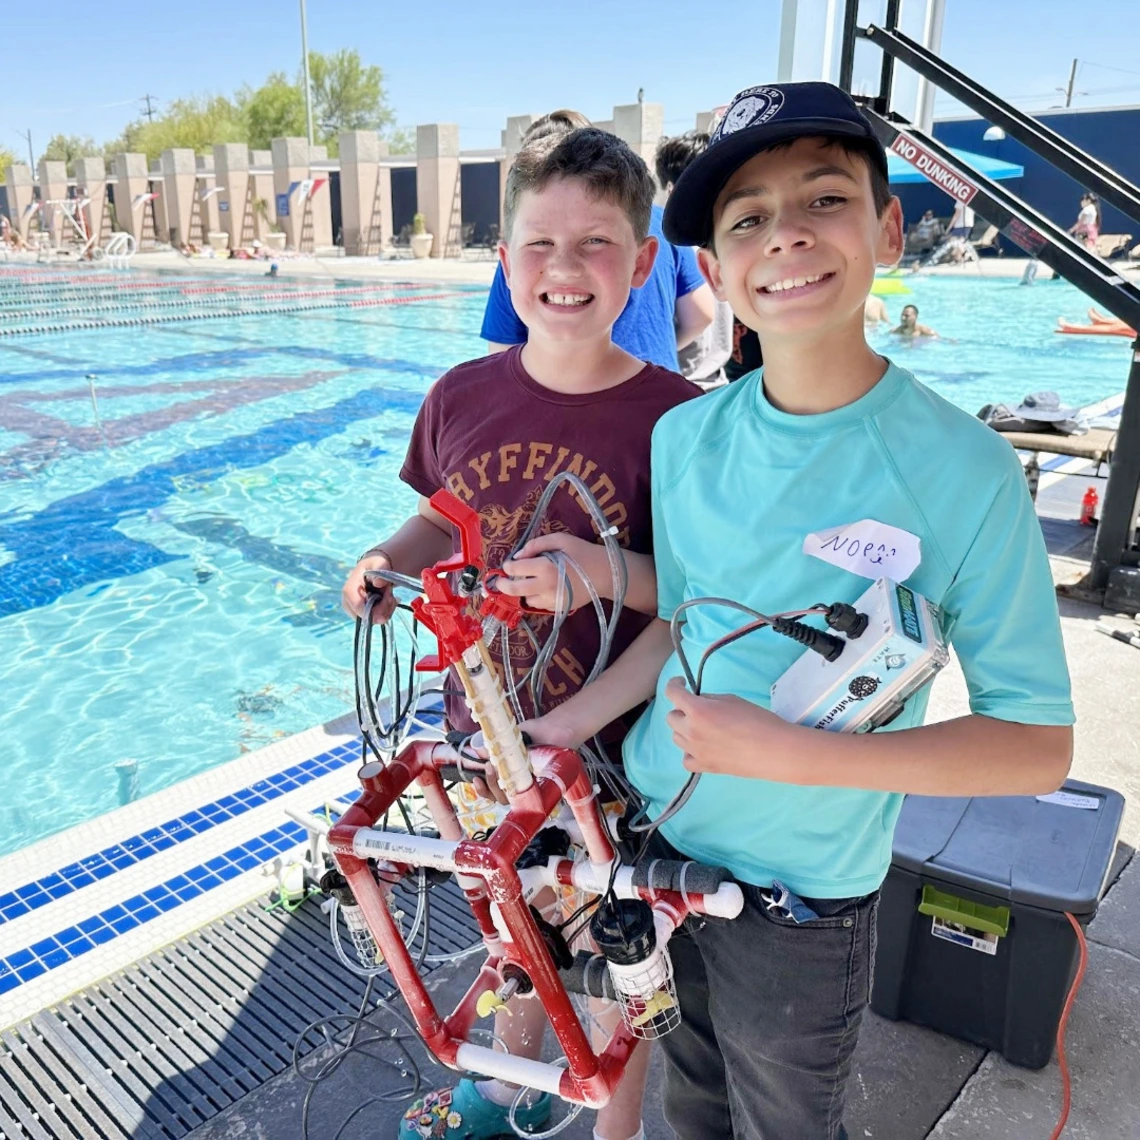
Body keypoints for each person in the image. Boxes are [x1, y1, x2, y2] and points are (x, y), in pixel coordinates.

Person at [517, 81, 1073, 1139]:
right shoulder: (686, 439)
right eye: (748, 219)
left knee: (783, 1122)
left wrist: (792, 754)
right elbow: (684, 623)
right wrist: (568, 729)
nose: (788, 238)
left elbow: (1036, 747)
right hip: (656, 844)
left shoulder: (968, 472)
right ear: (716, 272)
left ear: (889, 227)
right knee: (689, 1101)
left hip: (799, 903)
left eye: (823, 199)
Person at [342, 127, 700, 1140]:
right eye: (539, 244)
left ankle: (610, 1130)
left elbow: (695, 605)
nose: (565, 268)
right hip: (485, 734)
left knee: (608, 957)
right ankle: (505, 1092)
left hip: (615, 753)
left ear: (641, 265)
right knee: (510, 922)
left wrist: (574, 719)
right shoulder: (462, 394)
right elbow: (444, 514)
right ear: (505, 263)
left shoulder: (678, 420)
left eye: (597, 244)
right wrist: (384, 559)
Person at [481, 110, 716, 370]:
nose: (564, 269)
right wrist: (656, 358)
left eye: (595, 241)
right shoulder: (664, 223)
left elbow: (500, 355)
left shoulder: (527, 251)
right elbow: (702, 312)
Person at [656, 131, 734, 387]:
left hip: (687, 385)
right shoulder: (731, 241)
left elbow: (701, 316)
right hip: (720, 382)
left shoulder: (677, 247)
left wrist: (666, 346)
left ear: (671, 189)